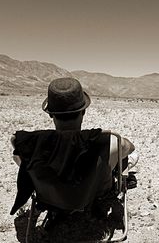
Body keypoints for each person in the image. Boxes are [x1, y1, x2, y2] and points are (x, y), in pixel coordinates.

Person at [10, 77, 138, 215]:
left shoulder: (32, 144)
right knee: (125, 156)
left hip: (51, 199)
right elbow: (131, 148)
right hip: (95, 196)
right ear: (83, 112)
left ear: (51, 115)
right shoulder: (106, 141)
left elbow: (19, 157)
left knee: (19, 159)